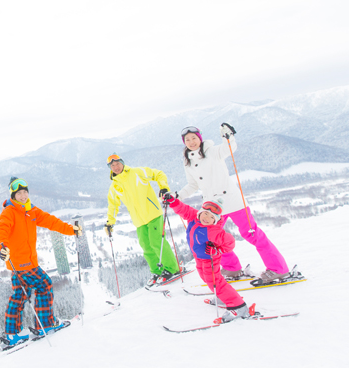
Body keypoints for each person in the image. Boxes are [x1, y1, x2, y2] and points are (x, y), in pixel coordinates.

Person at [177, 124, 290, 284]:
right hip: (212, 208)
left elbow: (228, 148)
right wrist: (177, 196)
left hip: (233, 201)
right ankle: (232, 269)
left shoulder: (212, 151)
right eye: (187, 139)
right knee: (214, 239)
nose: (191, 142)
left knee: (252, 234)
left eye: (194, 138)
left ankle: (279, 269)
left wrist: (227, 136)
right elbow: (192, 185)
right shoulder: (187, 161)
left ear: (200, 138)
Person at [0, 177, 81, 347]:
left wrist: (71, 230)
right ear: (13, 195)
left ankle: (13, 334)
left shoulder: (31, 211)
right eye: (19, 193)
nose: (23, 195)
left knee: (19, 295)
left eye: (25, 192)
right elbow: (1, 229)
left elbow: (51, 221)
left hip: (19, 264)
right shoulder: (9, 212)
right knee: (45, 285)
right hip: (24, 263)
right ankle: (46, 324)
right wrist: (3, 246)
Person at [162, 193, 250, 322]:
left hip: (210, 259)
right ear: (200, 212)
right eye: (205, 213)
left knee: (215, 281)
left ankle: (238, 306)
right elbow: (184, 209)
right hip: (199, 257)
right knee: (206, 278)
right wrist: (173, 201)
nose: (207, 218)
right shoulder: (194, 217)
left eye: (211, 217)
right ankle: (222, 296)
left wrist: (217, 250)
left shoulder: (213, 230)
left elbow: (230, 242)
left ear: (216, 219)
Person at [105, 154, 180, 286]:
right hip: (139, 220)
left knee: (157, 242)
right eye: (112, 166)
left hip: (153, 213)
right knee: (146, 246)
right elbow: (113, 206)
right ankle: (157, 271)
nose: (116, 167)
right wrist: (110, 222)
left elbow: (159, 174)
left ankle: (172, 268)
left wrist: (163, 187)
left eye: (117, 164)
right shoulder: (114, 187)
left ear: (122, 163)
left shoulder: (137, 172)